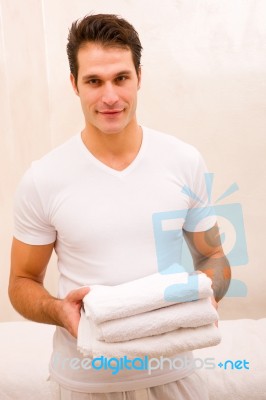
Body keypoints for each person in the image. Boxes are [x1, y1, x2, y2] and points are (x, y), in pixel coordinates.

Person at [8, 13, 231, 400]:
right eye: (94, 81)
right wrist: (59, 310)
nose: (109, 96)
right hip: (85, 380)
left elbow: (212, 255)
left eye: (121, 78)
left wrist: (207, 293)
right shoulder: (43, 179)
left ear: (139, 78)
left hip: (177, 375)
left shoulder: (183, 160)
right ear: (74, 84)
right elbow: (21, 282)